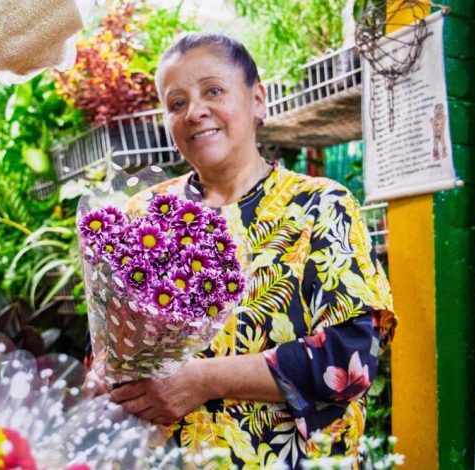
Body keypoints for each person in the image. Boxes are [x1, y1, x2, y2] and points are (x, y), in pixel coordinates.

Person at [93, 33, 397, 468]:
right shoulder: (145, 216)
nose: (195, 112)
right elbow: (112, 345)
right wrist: (103, 379)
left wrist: (200, 381)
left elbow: (349, 357)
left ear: (257, 99)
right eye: (176, 103)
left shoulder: (319, 206)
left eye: (213, 91)